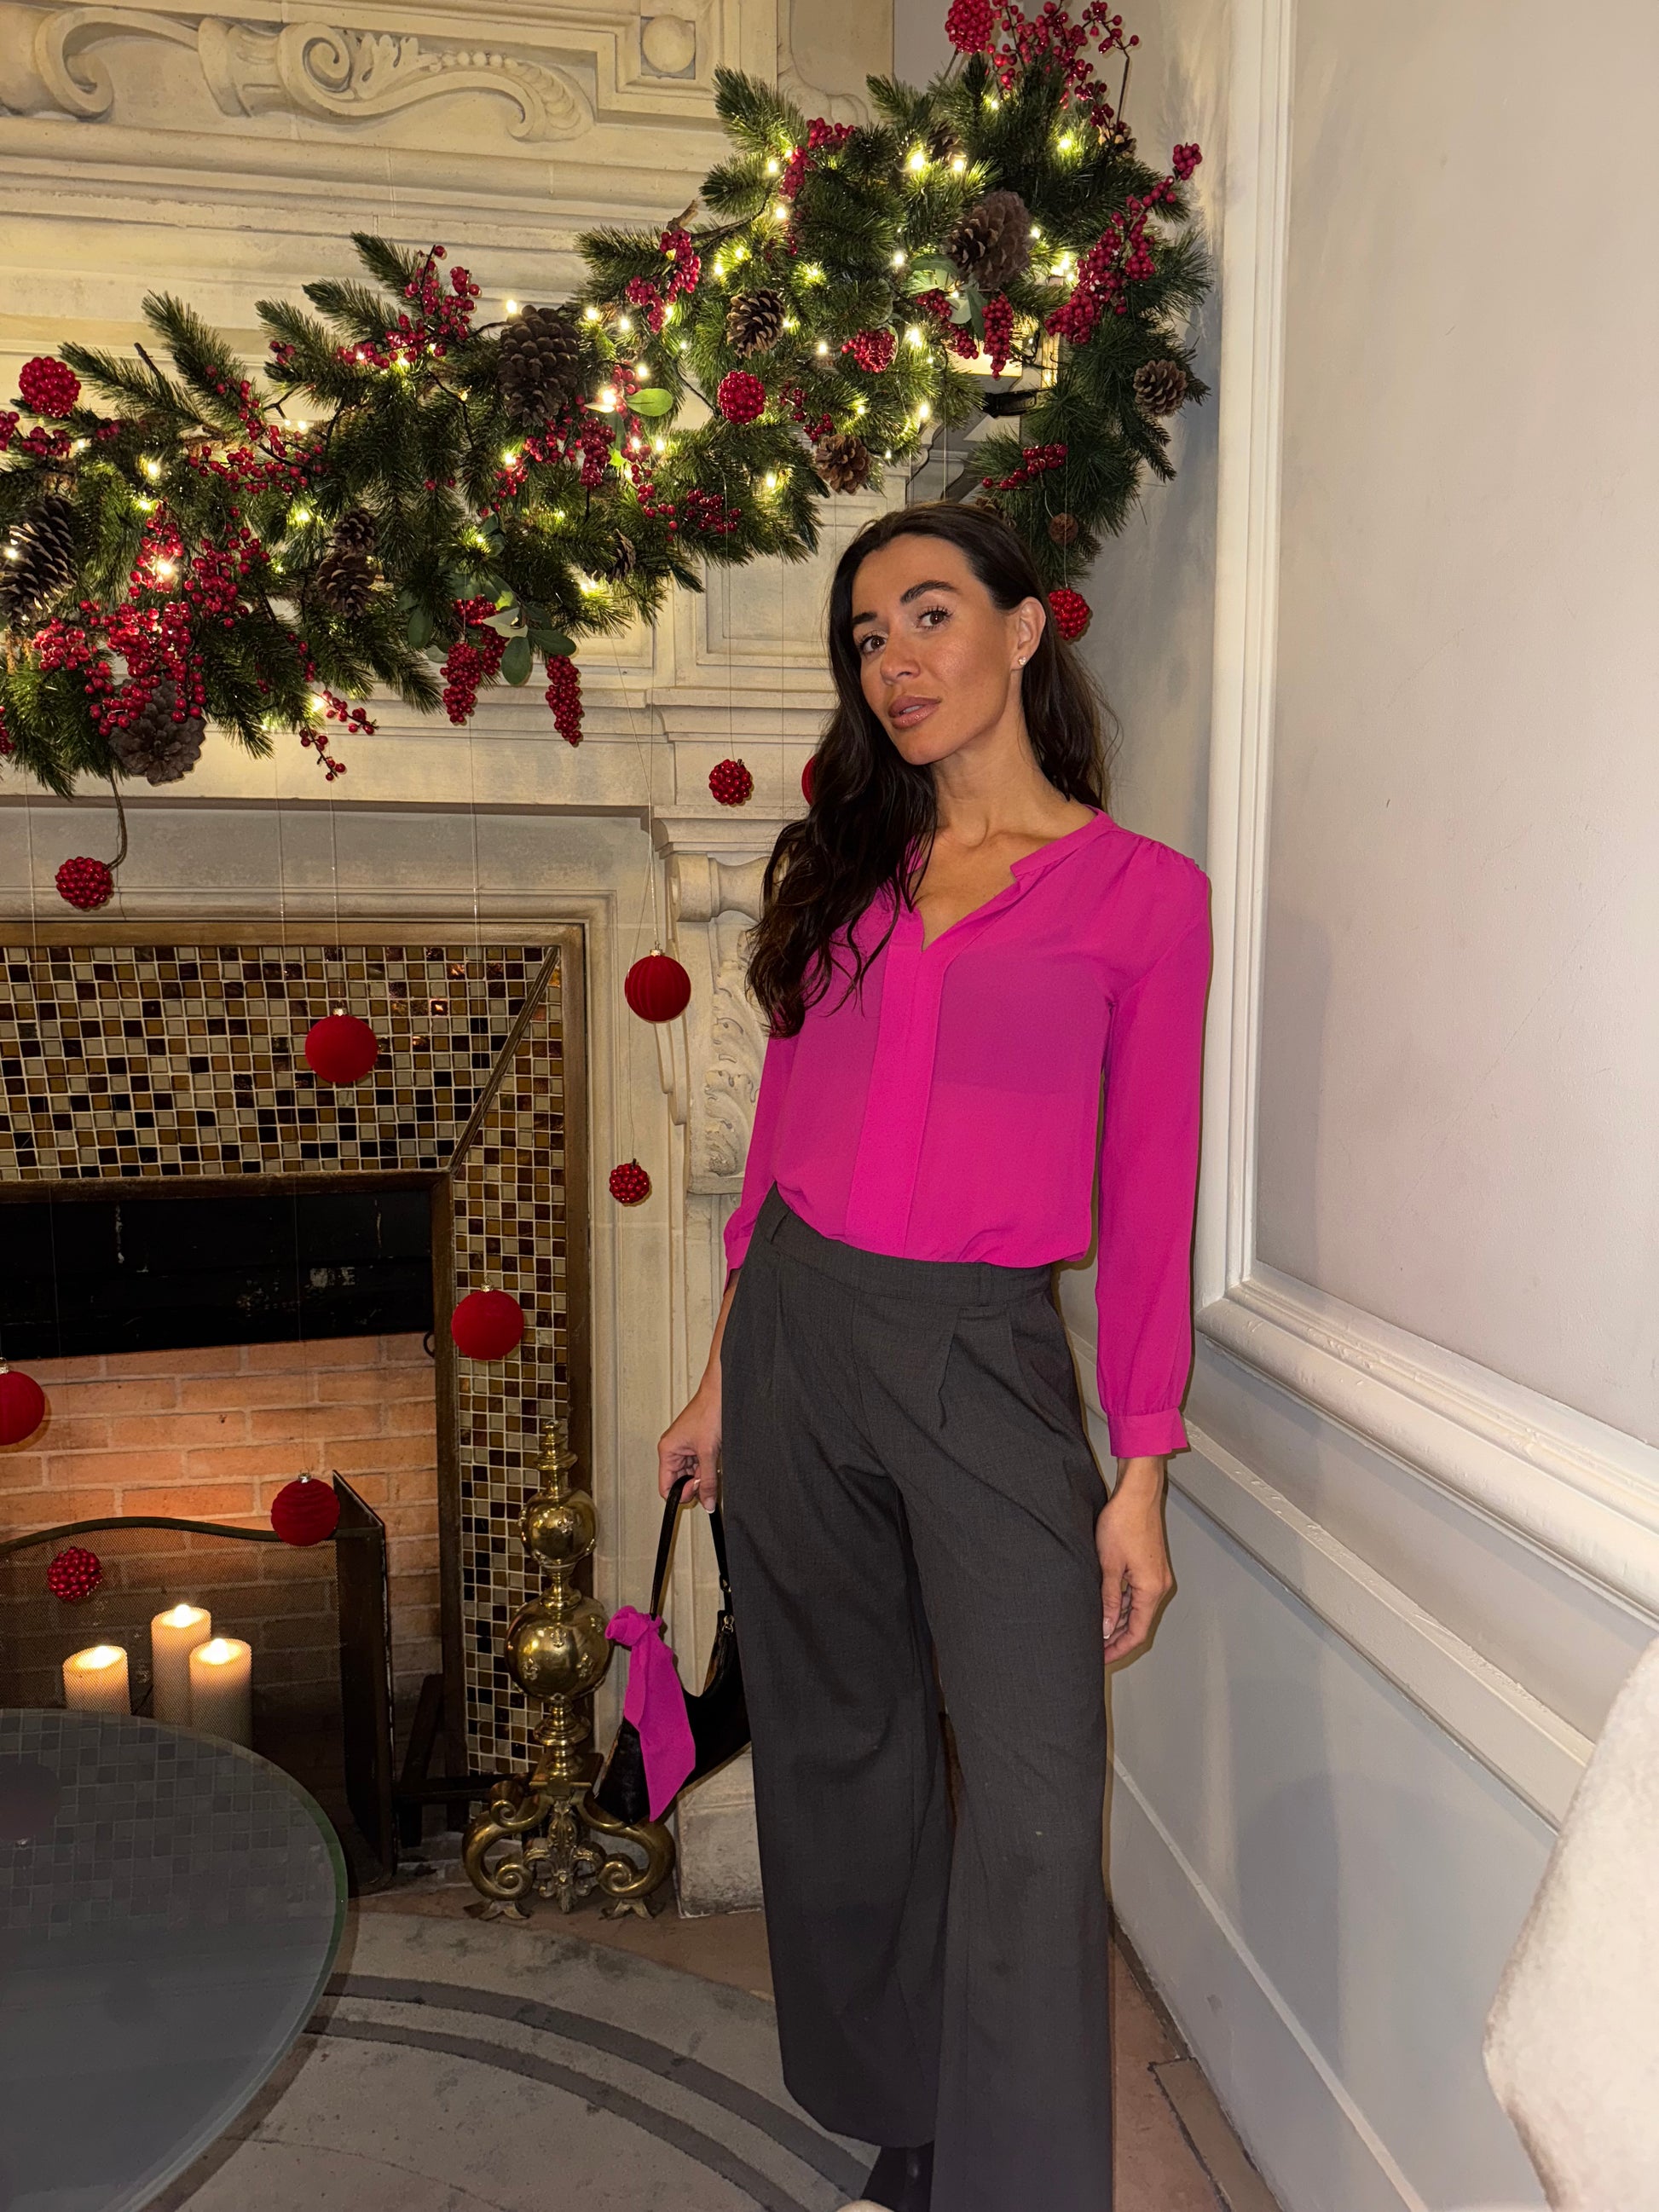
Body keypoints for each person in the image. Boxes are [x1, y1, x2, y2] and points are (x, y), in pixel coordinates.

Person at [656, 500, 1211, 2212]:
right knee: (844, 1757)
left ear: (1024, 628)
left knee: (1034, 1809)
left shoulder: (1142, 898)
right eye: (865, 636)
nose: (893, 660)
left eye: (926, 614)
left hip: (981, 1356)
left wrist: (1139, 1471)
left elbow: (1152, 1187)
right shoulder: (840, 872)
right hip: (799, 1332)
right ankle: (903, 2130)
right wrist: (721, 1375)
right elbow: (774, 1162)